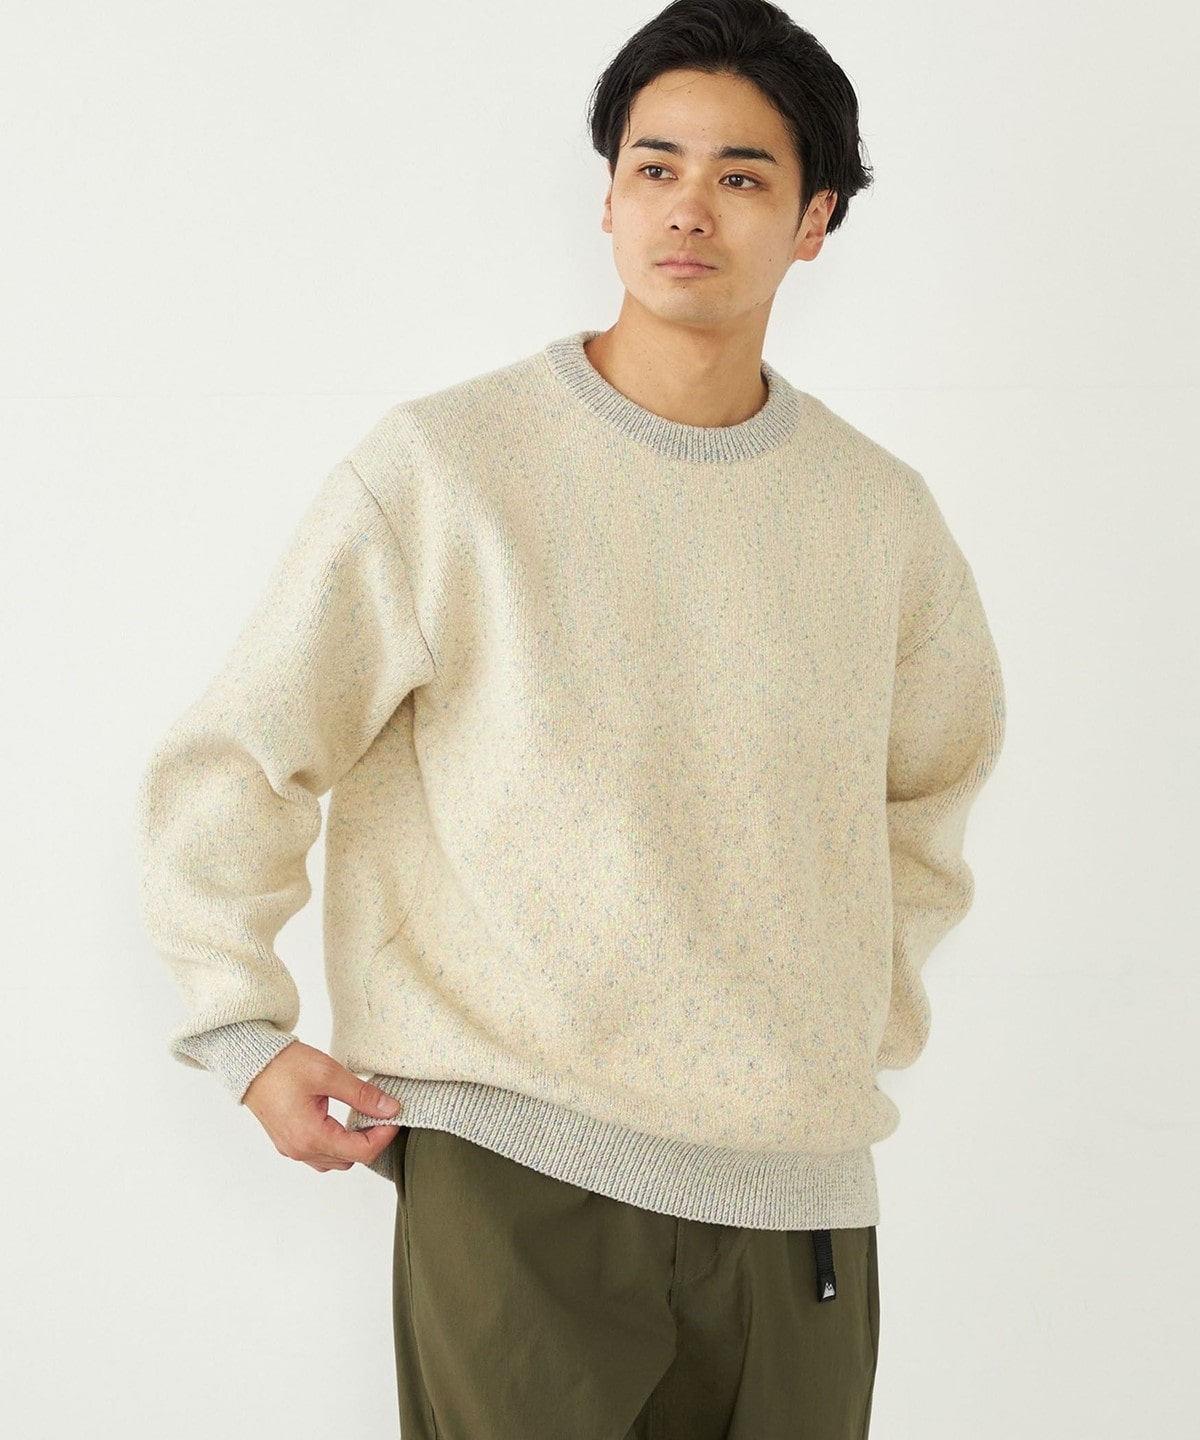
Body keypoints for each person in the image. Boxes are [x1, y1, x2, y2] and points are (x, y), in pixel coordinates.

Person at [134, 2, 1006, 1435]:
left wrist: (844, 1023)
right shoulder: (448, 471)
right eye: (655, 167)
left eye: (742, 176)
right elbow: (244, 753)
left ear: (815, 221)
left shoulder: (879, 518)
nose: (689, 208)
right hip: (515, 1169)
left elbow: (931, 796)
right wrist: (240, 1029)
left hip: (798, 1196)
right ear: (607, 199)